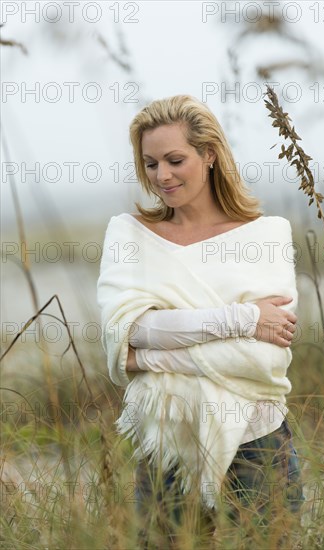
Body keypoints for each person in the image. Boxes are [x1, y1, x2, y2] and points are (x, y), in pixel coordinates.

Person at [97, 94, 304, 547]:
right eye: (150, 164)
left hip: (259, 441)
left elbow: (262, 359)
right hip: (168, 445)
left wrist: (150, 356)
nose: (162, 176)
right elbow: (126, 332)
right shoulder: (130, 235)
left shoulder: (266, 236)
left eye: (175, 160)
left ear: (209, 154)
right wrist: (246, 317)